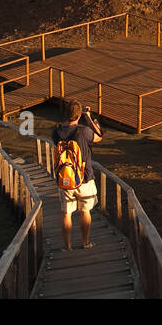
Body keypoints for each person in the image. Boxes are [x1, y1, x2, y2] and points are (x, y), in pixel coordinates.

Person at [51, 99, 102, 250]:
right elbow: (99, 137)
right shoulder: (83, 131)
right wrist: (89, 117)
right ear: (79, 115)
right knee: (85, 211)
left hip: (65, 177)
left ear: (65, 113)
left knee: (66, 213)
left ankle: (68, 246)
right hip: (85, 177)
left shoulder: (56, 132)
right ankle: (85, 243)